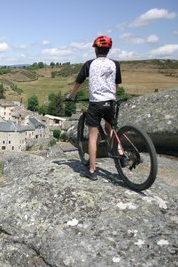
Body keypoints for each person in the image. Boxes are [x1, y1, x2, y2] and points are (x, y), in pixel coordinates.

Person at [66, 35, 122, 181]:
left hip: (96, 103)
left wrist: (70, 96)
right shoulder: (115, 64)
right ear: (108, 50)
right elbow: (116, 84)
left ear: (95, 49)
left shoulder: (89, 64)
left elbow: (78, 83)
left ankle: (92, 170)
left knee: (92, 136)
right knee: (110, 128)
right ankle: (121, 153)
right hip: (110, 102)